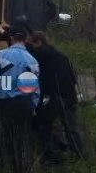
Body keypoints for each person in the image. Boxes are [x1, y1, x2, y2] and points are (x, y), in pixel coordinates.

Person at [0, 25, 40, 173]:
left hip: (4, 104)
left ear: (11, 38)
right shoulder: (33, 61)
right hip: (24, 104)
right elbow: (35, 89)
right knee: (18, 139)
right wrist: (32, 107)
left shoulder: (0, 55)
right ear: (25, 39)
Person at [28, 31, 85, 163]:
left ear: (38, 42)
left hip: (53, 97)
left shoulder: (40, 55)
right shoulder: (62, 56)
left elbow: (41, 79)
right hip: (70, 96)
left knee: (43, 124)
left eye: (32, 44)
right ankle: (80, 155)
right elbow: (73, 78)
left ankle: (53, 157)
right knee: (71, 128)